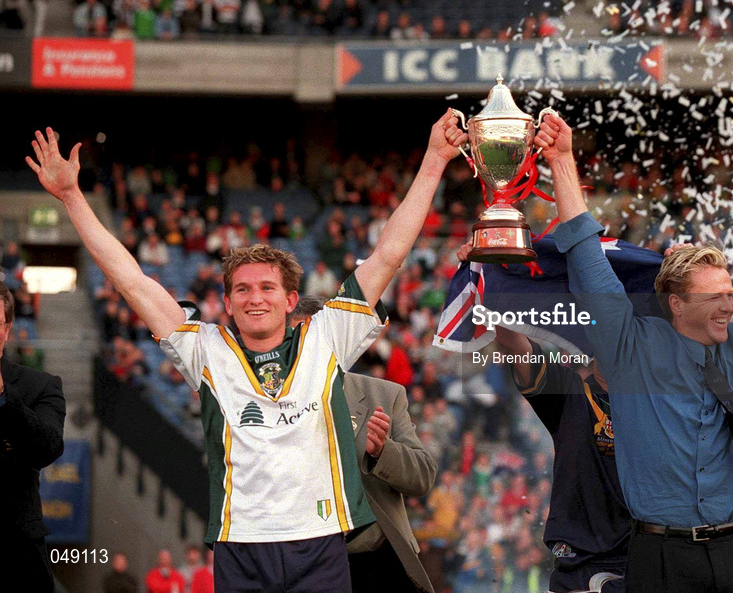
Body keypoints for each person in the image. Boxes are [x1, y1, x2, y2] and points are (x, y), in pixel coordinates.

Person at [25, 115, 466, 593]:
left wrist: (435, 158)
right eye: (242, 289)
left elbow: (388, 254)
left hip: (319, 542)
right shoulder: (206, 349)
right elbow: (131, 280)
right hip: (241, 544)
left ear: (291, 299)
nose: (255, 298)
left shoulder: (328, 336)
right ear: (229, 302)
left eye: (267, 288)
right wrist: (73, 197)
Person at [535, 113, 733, 592]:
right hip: (658, 558)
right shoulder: (629, 349)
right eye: (714, 297)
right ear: (676, 304)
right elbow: (586, 258)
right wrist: (562, 161)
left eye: (729, 293)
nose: (728, 305)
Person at [455, 243, 628, 593]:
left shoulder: (658, 392)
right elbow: (516, 345)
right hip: (581, 561)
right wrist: (493, 277)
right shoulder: (568, 389)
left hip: (650, 552)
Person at [290, 297, 438, 593]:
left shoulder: (383, 395)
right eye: (293, 340)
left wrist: (383, 452)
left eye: (314, 337)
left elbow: (423, 476)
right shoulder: (268, 407)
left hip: (378, 563)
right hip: (306, 567)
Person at [0, 281, 66, 593]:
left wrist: (3, 395)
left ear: (7, 329)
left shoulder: (39, 386)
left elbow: (48, 448)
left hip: (17, 556)